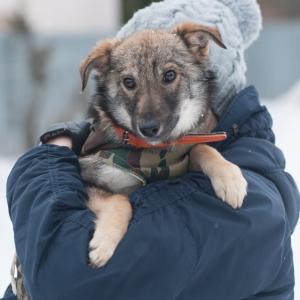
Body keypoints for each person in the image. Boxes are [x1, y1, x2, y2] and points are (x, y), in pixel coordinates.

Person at [2, 0, 300, 299]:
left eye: (169, 77)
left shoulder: (252, 203)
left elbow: (65, 274)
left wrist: (52, 154)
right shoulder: (106, 145)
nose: (149, 115)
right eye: (130, 82)